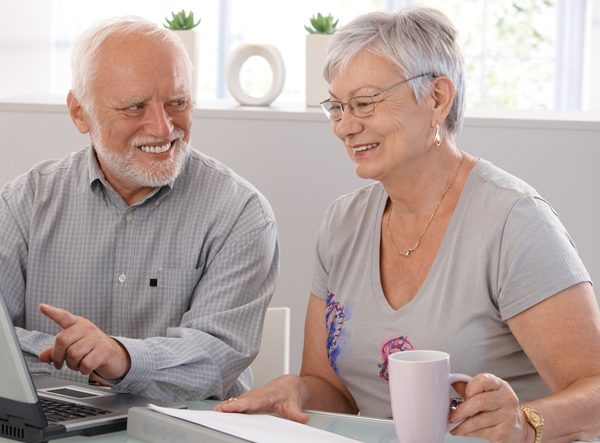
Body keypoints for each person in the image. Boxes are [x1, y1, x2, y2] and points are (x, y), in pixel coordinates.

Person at [213, 6, 600, 443]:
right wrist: (298, 389)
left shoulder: (514, 220)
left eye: (363, 103)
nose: (344, 126)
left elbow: (595, 391)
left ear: (437, 98)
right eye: (337, 107)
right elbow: (335, 392)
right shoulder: (343, 223)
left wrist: (524, 423)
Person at [0, 16, 279, 402]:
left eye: (177, 103)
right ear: (80, 113)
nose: (163, 127)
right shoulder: (25, 202)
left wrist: (123, 359)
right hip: (48, 422)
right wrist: (93, 366)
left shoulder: (241, 214)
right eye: (135, 107)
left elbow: (214, 360)